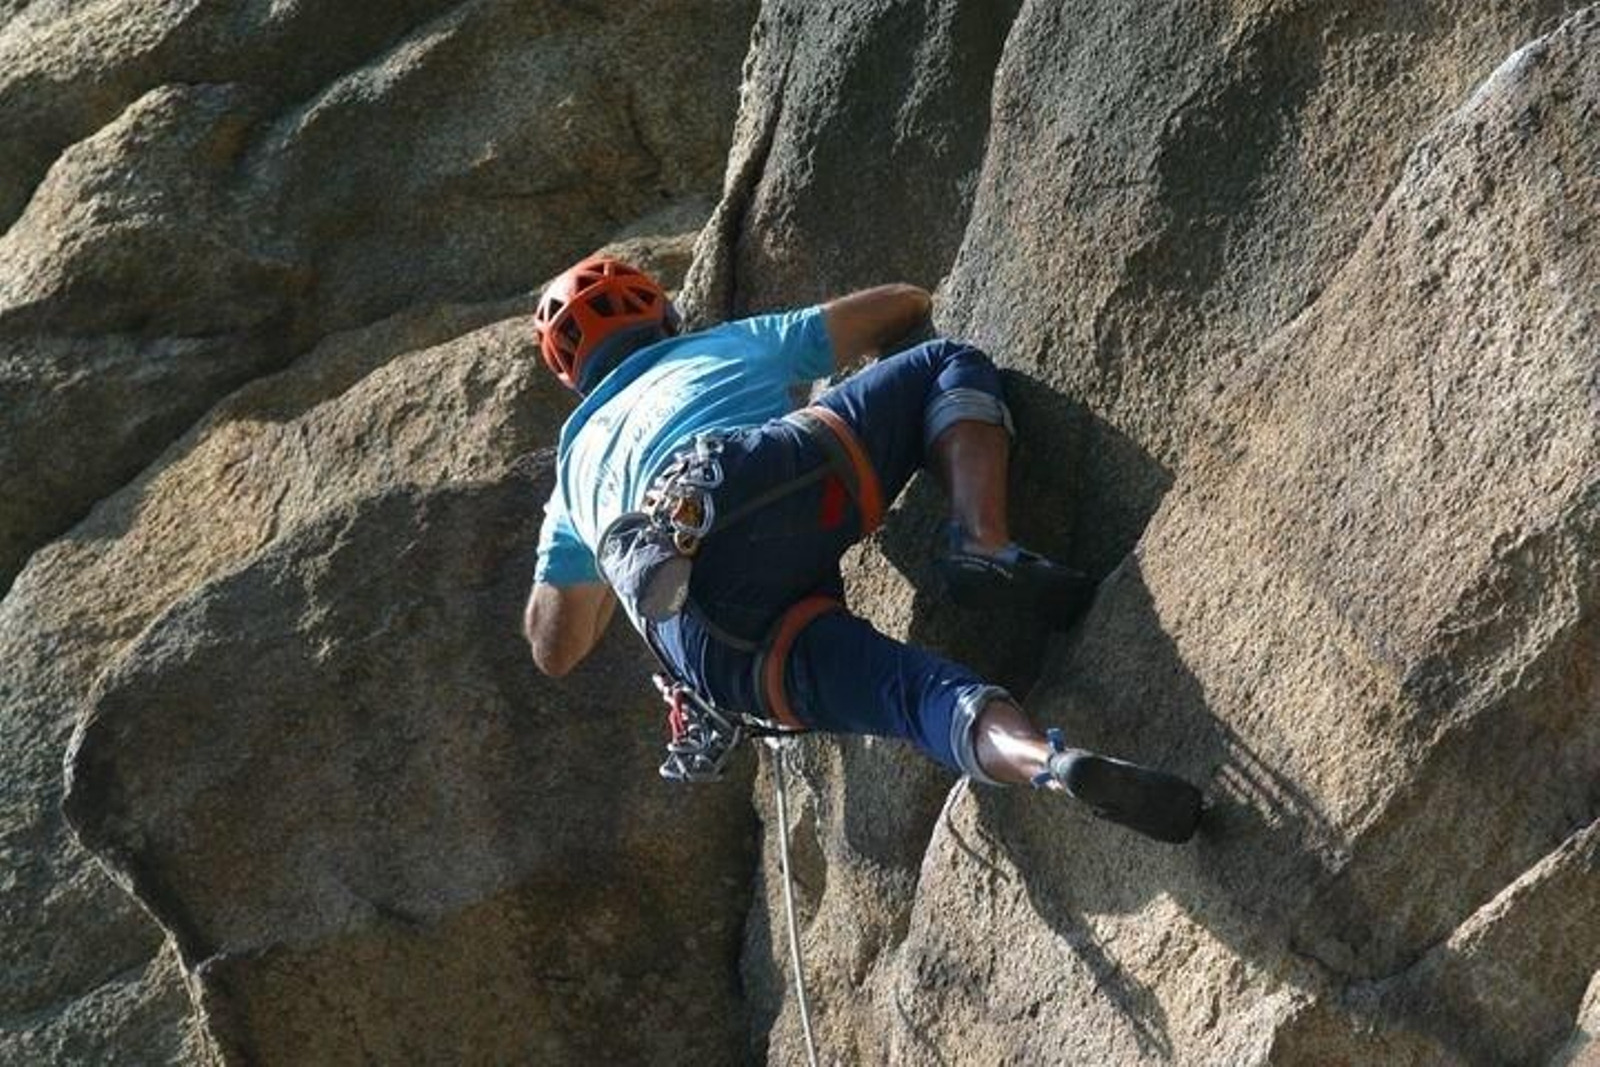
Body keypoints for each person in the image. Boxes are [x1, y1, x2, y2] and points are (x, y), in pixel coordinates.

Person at [523, 255, 1203, 843]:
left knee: (915, 696)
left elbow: (555, 647)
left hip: (713, 648)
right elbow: (903, 304)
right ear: (662, 314)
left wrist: (588, 536)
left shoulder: (572, 474)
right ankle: (981, 541)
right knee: (947, 362)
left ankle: (1044, 762)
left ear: (574, 378)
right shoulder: (717, 344)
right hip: (759, 483)